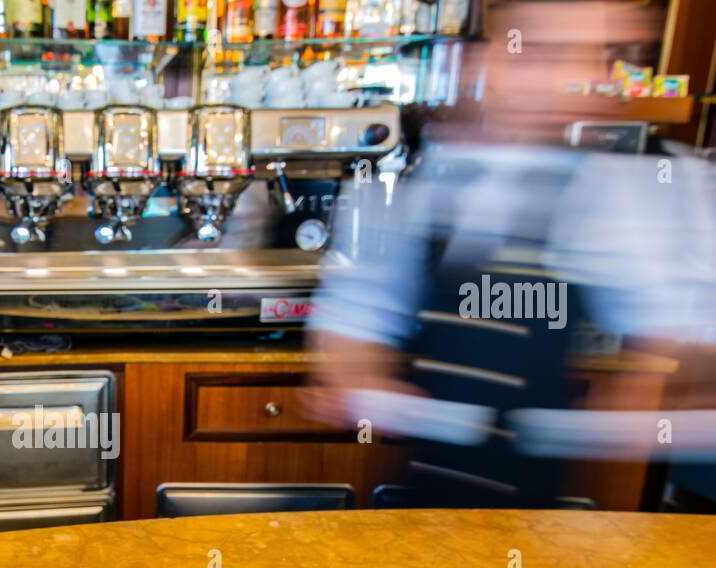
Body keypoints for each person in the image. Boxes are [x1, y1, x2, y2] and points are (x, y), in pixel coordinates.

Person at [306, 0, 716, 507]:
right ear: (491, 61)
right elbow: (357, 312)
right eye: (545, 54)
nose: (576, 76)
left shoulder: (631, 188)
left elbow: (681, 331)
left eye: (593, 56)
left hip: (542, 507)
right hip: (430, 496)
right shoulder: (424, 182)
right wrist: (357, 378)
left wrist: (649, 398)